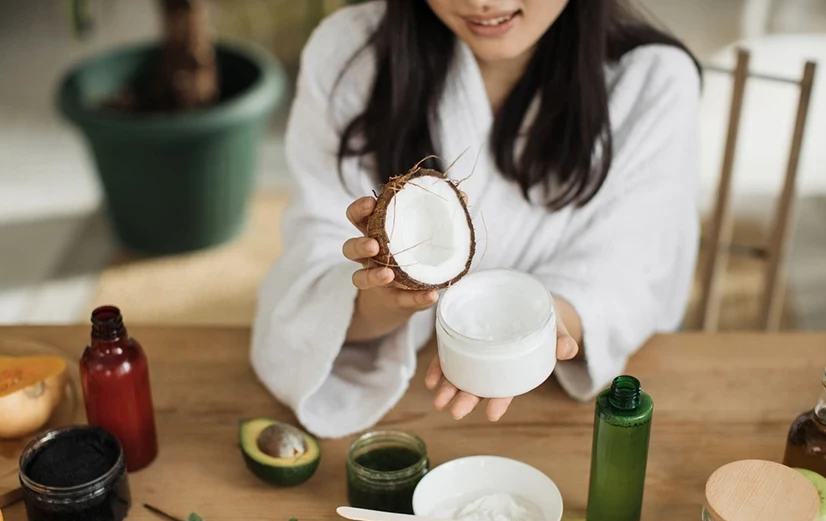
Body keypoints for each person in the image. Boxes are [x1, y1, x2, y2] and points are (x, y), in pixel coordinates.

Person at [251, 0, 701, 439]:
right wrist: (385, 298)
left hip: (570, 410)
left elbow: (633, 269)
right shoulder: (348, 53)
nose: (482, 3)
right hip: (398, 401)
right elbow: (312, 263)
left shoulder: (653, 79)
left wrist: (537, 326)